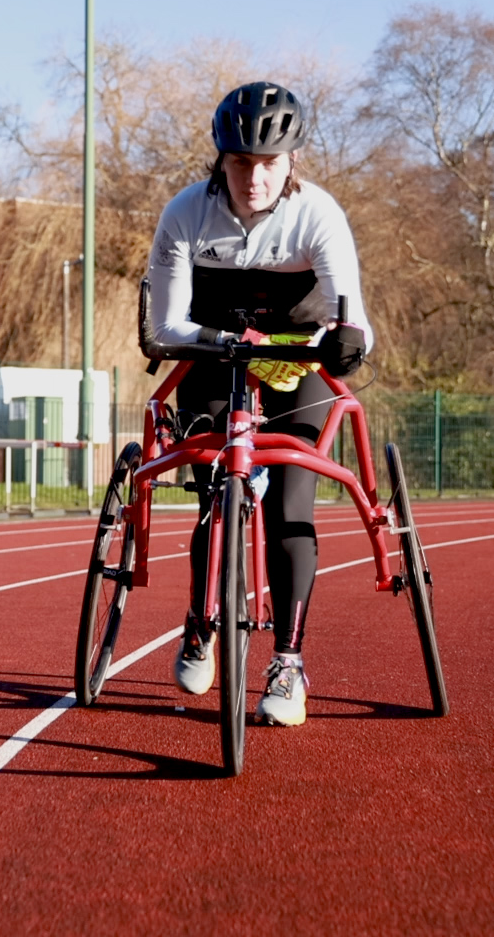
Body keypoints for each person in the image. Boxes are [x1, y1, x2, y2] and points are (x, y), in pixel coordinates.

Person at [143, 81, 371, 727]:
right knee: (217, 490)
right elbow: (166, 328)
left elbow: (352, 317)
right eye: (241, 163)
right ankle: (200, 624)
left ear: (292, 161)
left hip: (299, 364)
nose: (254, 178)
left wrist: (346, 343)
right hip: (216, 359)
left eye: (269, 164)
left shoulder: (318, 215)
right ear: (221, 160)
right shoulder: (186, 214)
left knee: (292, 502)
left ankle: (289, 662)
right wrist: (228, 341)